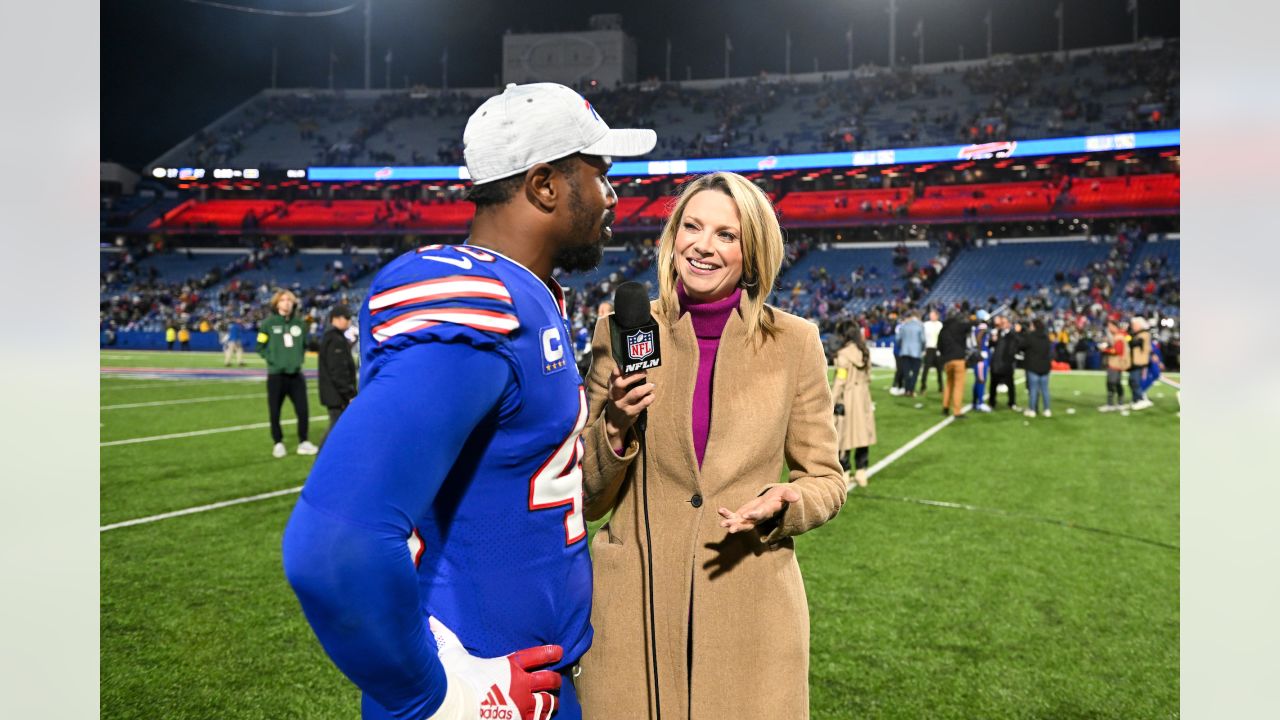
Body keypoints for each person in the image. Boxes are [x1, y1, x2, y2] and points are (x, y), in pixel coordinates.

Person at [282, 81, 656, 720]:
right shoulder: (475, 302)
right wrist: (433, 693)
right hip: (482, 687)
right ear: (543, 185)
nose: (612, 194)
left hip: (534, 676)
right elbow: (333, 545)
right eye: (599, 173)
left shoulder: (529, 294)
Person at [575, 171, 846, 719]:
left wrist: (787, 502)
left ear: (753, 253)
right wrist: (613, 428)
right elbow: (586, 499)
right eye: (691, 227)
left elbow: (827, 478)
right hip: (632, 612)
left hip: (749, 607)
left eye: (726, 235)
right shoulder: (620, 331)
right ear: (672, 237)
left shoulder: (795, 342)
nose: (703, 246)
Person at [257, 289, 318, 457]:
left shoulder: (300, 324)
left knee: (303, 410)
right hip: (276, 375)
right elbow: (259, 346)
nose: (287, 303)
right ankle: (278, 442)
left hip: (296, 375)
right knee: (275, 411)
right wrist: (272, 359)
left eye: (289, 300)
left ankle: (303, 441)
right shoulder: (268, 324)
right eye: (283, 300)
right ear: (277, 303)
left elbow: (305, 345)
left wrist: (296, 359)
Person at [831, 319, 877, 487]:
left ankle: (845, 471)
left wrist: (831, 401)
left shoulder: (843, 354)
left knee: (845, 436)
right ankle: (861, 471)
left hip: (849, 398)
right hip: (864, 397)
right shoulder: (864, 352)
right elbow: (869, 377)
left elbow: (840, 381)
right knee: (863, 435)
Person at [316, 304, 357, 446]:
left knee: (338, 426)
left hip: (335, 393)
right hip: (336, 395)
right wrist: (349, 393)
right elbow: (338, 370)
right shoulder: (335, 339)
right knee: (336, 428)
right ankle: (323, 456)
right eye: (346, 317)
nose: (349, 321)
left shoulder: (334, 337)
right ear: (336, 319)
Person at [937, 307, 972, 418]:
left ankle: (945, 407)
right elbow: (970, 325)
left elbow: (939, 346)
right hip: (958, 359)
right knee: (958, 386)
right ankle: (957, 411)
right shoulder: (959, 326)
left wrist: (945, 356)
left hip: (947, 360)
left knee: (948, 384)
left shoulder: (942, 330)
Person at [1020, 318, 1053, 418]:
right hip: (1045, 367)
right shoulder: (1046, 337)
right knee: (1045, 390)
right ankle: (1047, 410)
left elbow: (1021, 346)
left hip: (1033, 366)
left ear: (1034, 326)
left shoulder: (1030, 337)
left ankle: (1032, 410)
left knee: (1033, 390)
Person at [987, 315, 1020, 411]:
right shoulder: (997, 333)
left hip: (1007, 365)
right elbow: (990, 345)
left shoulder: (1013, 335)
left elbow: (1017, 345)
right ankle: (992, 403)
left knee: (1010, 385)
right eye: (1001, 323)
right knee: (993, 385)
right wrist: (992, 340)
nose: (1002, 325)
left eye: (1004, 323)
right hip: (996, 364)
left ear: (1009, 324)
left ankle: (1012, 403)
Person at [1099, 321, 1131, 412]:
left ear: (1114, 326)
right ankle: (1119, 403)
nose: (1108, 329)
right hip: (1119, 362)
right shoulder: (1121, 335)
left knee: (1111, 383)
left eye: (1109, 326)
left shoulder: (1118, 336)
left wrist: (1105, 350)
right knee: (1117, 383)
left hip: (1115, 363)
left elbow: (1117, 351)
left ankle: (1111, 404)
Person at [894, 310, 925, 397]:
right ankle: (911, 390)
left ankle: (906, 390)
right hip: (916, 352)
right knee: (915, 373)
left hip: (905, 351)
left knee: (906, 372)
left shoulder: (904, 325)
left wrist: (902, 346)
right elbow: (923, 340)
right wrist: (922, 349)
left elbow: (898, 339)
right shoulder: (920, 325)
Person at [1128, 316, 1154, 410]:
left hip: (1140, 362)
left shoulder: (1144, 334)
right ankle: (1136, 399)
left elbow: (1134, 343)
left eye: (1134, 325)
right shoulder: (1137, 334)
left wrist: (1128, 337)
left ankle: (1141, 399)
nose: (1132, 326)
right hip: (1135, 361)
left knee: (1135, 381)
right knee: (1132, 381)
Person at [970, 311, 992, 412]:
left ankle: (975, 402)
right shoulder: (982, 326)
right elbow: (979, 337)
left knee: (978, 380)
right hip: (981, 358)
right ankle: (980, 403)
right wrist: (980, 351)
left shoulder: (980, 326)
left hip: (980, 356)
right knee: (981, 380)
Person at [918, 308, 943, 394]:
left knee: (940, 370)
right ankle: (923, 387)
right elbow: (922, 338)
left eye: (933, 315)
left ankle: (941, 387)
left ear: (937, 316)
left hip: (938, 349)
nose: (931, 317)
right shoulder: (926, 325)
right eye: (930, 315)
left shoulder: (940, 325)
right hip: (929, 348)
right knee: (925, 369)